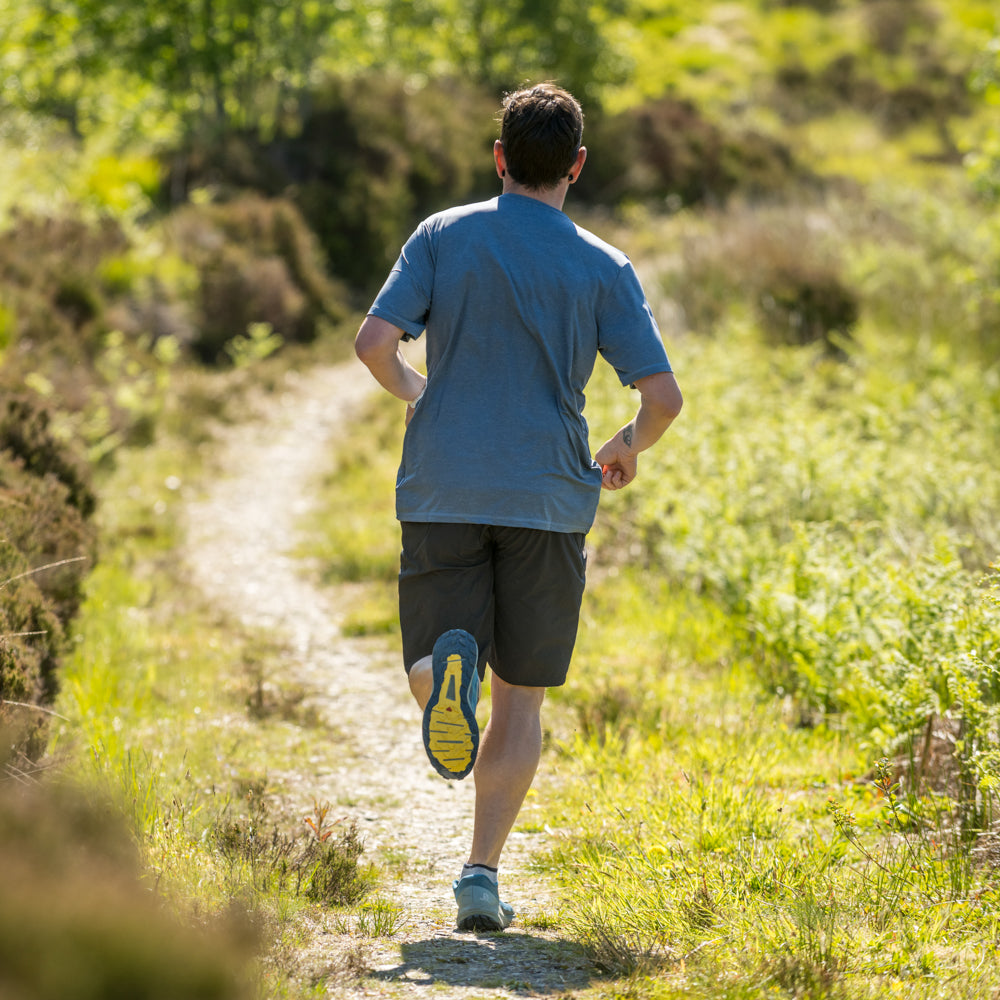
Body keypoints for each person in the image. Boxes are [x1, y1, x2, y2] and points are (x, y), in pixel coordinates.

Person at [355, 82, 682, 932]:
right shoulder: (602, 264)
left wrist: (421, 393)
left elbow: (373, 345)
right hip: (547, 498)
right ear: (575, 165)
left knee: (433, 657)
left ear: (499, 158)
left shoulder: (442, 235)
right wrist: (623, 446)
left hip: (444, 486)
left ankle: (441, 689)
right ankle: (479, 876)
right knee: (523, 697)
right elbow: (663, 398)